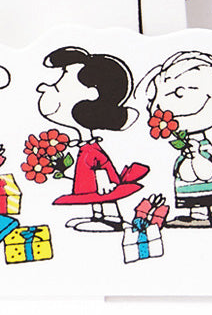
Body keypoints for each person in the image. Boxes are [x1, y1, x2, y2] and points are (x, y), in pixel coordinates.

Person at [37, 46, 147, 231]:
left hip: (103, 182)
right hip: (94, 179)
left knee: (102, 196)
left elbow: (101, 162)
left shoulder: (92, 148)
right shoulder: (85, 145)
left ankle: (112, 219)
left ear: (91, 94)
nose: (45, 88)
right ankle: (98, 217)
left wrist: (105, 181)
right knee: (94, 196)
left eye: (59, 86)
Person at [145, 50, 212, 227]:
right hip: (191, 188)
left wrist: (196, 155)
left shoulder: (204, 147)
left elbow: (207, 172)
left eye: (180, 93)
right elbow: (186, 174)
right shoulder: (184, 146)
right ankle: (198, 214)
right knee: (195, 204)